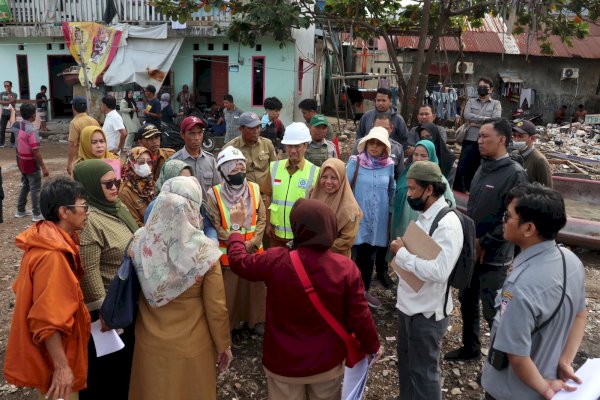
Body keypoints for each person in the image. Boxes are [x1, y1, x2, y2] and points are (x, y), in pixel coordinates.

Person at [226, 198, 382, 399]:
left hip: (283, 363)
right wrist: (373, 346)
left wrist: (236, 228)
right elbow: (360, 316)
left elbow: (239, 263)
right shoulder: (345, 268)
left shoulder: (275, 260)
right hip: (326, 363)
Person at [129, 176, 231, 400]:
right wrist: (224, 345)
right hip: (192, 344)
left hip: (149, 342)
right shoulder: (206, 253)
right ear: (194, 207)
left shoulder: (139, 241)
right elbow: (216, 308)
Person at [481, 184, 587, 400]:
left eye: (507, 216)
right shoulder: (571, 261)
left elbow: (517, 355)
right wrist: (565, 361)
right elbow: (580, 314)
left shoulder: (519, 285)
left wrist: (545, 389)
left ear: (528, 228)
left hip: (513, 391)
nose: (503, 221)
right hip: (548, 377)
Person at [445, 119, 528, 362]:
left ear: (502, 139)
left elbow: (512, 217)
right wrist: (472, 241)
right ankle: (470, 348)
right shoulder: (483, 167)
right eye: (479, 136)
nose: (479, 141)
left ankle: (503, 359)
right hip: (473, 248)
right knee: (467, 299)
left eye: (485, 137)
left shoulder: (515, 174)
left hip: (495, 255)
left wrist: (486, 243)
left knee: (494, 308)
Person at [4, 177, 91, 400]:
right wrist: (62, 368)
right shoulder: (52, 255)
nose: (87, 212)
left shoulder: (45, 239)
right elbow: (47, 320)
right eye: (84, 206)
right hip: (57, 358)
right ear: (64, 211)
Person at [390, 161, 464, 400]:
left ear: (430, 189)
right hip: (408, 306)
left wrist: (402, 254)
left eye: (412, 189)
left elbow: (440, 271)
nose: (409, 194)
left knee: (424, 374)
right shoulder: (425, 216)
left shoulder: (447, 224)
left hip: (427, 315)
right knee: (407, 367)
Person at [73, 160, 138, 400]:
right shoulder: (89, 221)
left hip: (123, 301)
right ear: (89, 186)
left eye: (117, 182)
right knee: (105, 372)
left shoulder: (116, 208)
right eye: (108, 184)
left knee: (122, 368)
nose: (114, 188)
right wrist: (104, 312)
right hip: (106, 313)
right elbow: (88, 273)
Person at [206, 146, 267, 335]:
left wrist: (254, 242)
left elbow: (262, 219)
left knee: (254, 289)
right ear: (223, 173)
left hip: (254, 252)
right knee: (230, 292)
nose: (239, 173)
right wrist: (238, 242)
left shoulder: (254, 189)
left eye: (242, 169)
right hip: (229, 256)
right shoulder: (214, 194)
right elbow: (217, 225)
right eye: (234, 170)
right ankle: (231, 325)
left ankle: (256, 320)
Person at [347, 127, 395, 308]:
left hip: (378, 221)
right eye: (371, 142)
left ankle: (363, 292)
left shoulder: (389, 165)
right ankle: (350, 292)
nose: (374, 147)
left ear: (385, 147)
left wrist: (390, 214)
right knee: (354, 255)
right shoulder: (355, 162)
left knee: (369, 258)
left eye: (379, 144)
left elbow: (392, 189)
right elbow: (344, 187)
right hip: (357, 219)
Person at [265, 122, 319, 247]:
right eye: (289, 146)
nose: (293, 150)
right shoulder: (274, 167)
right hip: (276, 234)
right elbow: (267, 197)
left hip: (300, 237)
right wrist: (268, 224)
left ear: (305, 146)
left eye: (297, 146)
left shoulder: (315, 172)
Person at [390, 140, 456, 242]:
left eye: (424, 155)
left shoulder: (438, 180)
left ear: (432, 157)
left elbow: (451, 205)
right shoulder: (406, 174)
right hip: (401, 223)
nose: (418, 159)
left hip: (423, 228)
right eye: (415, 154)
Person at [454, 76, 501, 193]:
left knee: (478, 167)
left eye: (485, 87)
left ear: (491, 90)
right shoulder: (470, 101)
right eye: (480, 87)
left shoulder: (496, 104)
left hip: (486, 140)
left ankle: (474, 191)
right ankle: (458, 192)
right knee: (463, 166)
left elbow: (496, 119)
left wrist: (477, 121)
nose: (482, 89)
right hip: (469, 138)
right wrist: (486, 119)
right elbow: (467, 115)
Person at [310, 158, 362, 257]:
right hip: (314, 256)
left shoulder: (350, 208)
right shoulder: (314, 194)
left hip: (336, 259)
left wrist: (320, 247)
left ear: (342, 179)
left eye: (334, 178)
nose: (328, 182)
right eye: (324, 177)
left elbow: (347, 240)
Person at [224, 112, 276, 200]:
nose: (256, 131)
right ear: (241, 129)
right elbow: (224, 176)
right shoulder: (230, 148)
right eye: (251, 128)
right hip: (242, 198)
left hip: (264, 197)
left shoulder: (267, 144)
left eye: (258, 127)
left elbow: (275, 170)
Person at [13, 103, 49, 222]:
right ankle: (36, 213)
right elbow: (36, 151)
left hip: (20, 159)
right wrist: (43, 167)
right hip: (30, 161)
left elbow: (14, 141)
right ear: (33, 115)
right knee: (35, 188)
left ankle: (20, 210)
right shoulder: (32, 130)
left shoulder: (17, 125)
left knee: (26, 184)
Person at [169, 116, 221, 195]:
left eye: (200, 133)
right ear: (182, 135)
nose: (197, 138)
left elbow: (218, 188)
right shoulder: (173, 162)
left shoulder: (210, 160)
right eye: (192, 133)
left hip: (207, 207)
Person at [118, 147, 156, 227]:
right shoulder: (125, 192)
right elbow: (134, 223)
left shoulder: (151, 183)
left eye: (149, 162)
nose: (146, 165)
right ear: (131, 163)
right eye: (141, 162)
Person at [511, 120, 552, 187]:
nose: (516, 139)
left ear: (532, 138)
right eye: (514, 135)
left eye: (520, 136)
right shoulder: (514, 154)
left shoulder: (539, 160)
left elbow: (547, 189)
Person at [365, 112, 405, 180]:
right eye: (378, 128)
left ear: (391, 128)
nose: (381, 132)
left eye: (385, 129)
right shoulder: (361, 144)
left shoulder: (397, 149)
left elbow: (400, 176)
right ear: (372, 127)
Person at [67, 97, 100, 176]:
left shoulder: (74, 123)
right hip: (95, 156)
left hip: (82, 158)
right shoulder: (93, 120)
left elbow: (73, 144)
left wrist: (69, 163)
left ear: (73, 108)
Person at [0, 80, 17, 148]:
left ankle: (12, 143)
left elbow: (13, 101)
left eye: (7, 86)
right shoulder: (1, 93)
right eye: (5, 86)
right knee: (2, 129)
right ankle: (1, 143)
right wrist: (9, 102)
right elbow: (0, 101)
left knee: (13, 129)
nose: (6, 87)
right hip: (4, 113)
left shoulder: (14, 94)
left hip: (12, 113)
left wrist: (8, 94)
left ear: (11, 86)